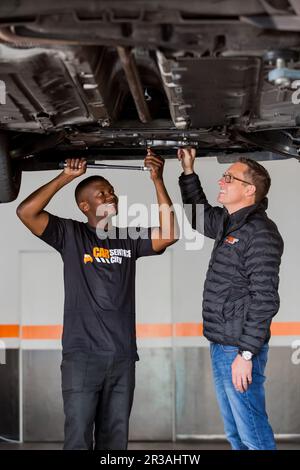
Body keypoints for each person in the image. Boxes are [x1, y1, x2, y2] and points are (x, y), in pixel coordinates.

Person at [16, 149, 178, 450]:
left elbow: (169, 233)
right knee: (78, 439)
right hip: (83, 358)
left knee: (115, 442)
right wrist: (66, 176)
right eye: (102, 193)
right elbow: (26, 212)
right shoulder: (71, 235)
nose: (111, 197)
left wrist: (158, 179)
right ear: (84, 205)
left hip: (122, 357)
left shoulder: (127, 238)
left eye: (112, 192)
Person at [178, 148, 283, 450]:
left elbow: (265, 299)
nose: (221, 182)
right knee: (236, 433)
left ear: (249, 190)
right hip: (223, 344)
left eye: (229, 178)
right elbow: (198, 216)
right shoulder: (231, 223)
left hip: (238, 348)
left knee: (252, 433)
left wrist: (246, 355)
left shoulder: (259, 233)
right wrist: (188, 171)